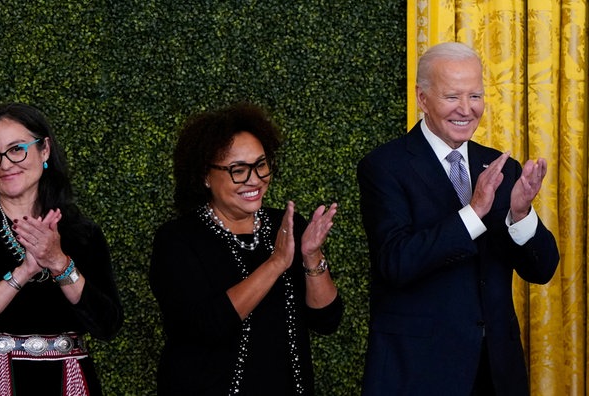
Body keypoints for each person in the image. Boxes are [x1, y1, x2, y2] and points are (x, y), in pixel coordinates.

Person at [357, 42, 560, 395]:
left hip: (496, 371)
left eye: (475, 96)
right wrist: (474, 211)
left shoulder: (503, 167)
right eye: (452, 97)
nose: (466, 110)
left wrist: (521, 212)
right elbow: (396, 262)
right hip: (418, 370)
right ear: (422, 99)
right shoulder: (384, 167)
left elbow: (541, 270)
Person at [150, 102, 343, 395]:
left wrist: (311, 255)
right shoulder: (177, 239)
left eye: (261, 165)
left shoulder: (287, 225)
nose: (254, 179)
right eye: (238, 170)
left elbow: (327, 320)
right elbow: (207, 326)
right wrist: (276, 263)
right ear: (205, 175)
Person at [0, 102, 123, 395]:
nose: (6, 164)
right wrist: (22, 273)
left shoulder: (81, 232)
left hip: (67, 382)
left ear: (44, 150)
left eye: (16, 149)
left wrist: (60, 263)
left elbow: (107, 325)